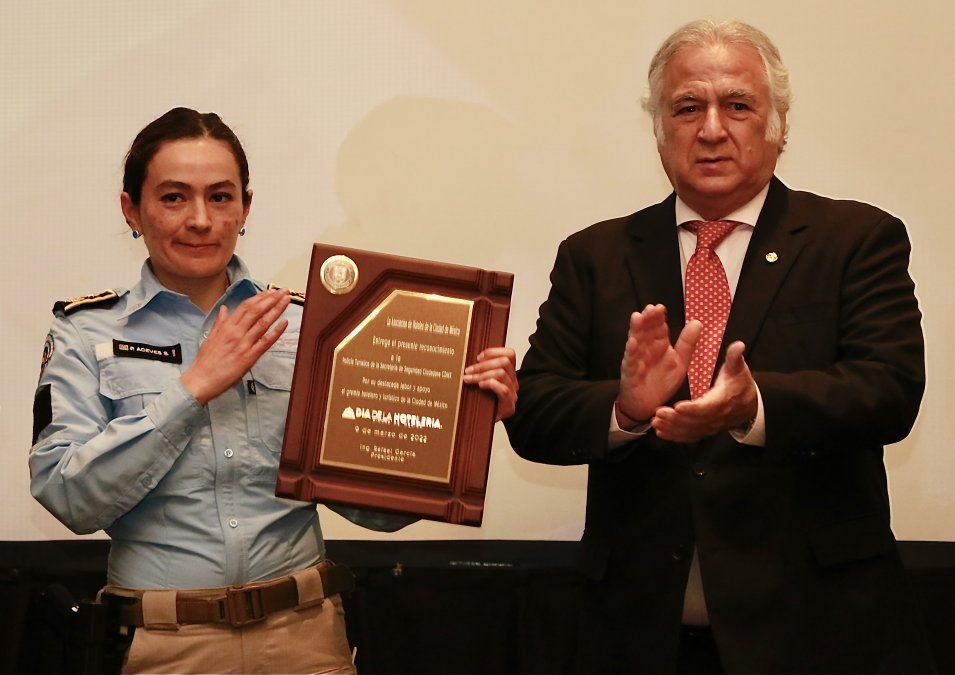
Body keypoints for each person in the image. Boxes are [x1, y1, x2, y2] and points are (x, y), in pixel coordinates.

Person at [504, 19, 934, 674]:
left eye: (736, 105)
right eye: (686, 107)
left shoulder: (854, 238)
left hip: (819, 632)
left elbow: (889, 389)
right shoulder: (596, 255)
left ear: (777, 123)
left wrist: (754, 405)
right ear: (658, 128)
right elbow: (534, 412)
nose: (710, 129)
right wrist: (622, 408)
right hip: (636, 635)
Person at [29, 107, 518, 674]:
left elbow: (374, 511)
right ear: (131, 209)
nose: (200, 219)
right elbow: (68, 498)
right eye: (172, 198)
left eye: (220, 197)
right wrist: (192, 390)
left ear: (245, 208)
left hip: (304, 636)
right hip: (167, 644)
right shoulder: (85, 330)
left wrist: (465, 419)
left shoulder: (313, 326)